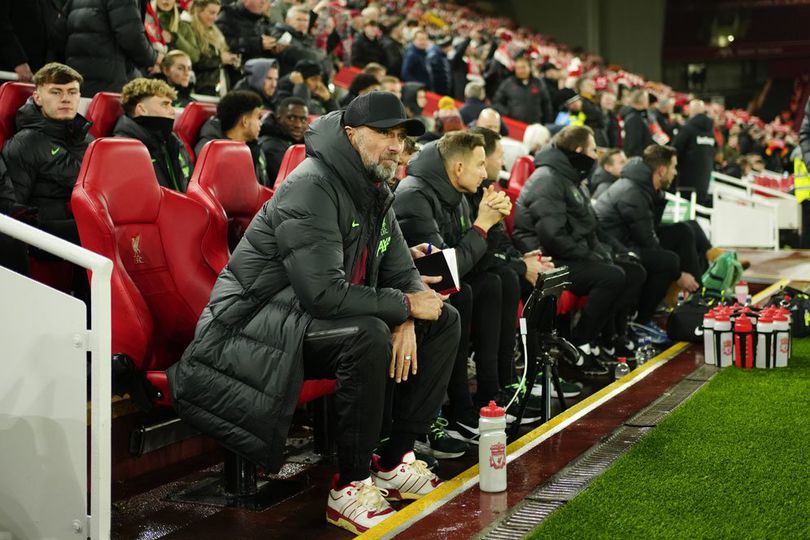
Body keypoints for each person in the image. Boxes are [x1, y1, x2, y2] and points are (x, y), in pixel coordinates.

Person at [168, 92, 456, 535]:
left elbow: (402, 271)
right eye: (384, 134)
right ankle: (350, 484)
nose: (396, 145)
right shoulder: (312, 184)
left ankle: (394, 460)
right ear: (350, 134)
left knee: (444, 320)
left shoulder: (376, 189)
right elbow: (322, 294)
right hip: (250, 324)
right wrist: (401, 305)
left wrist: (408, 311)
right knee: (367, 334)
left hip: (301, 319)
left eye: (400, 136)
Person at [394, 131, 518, 441]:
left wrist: (493, 222)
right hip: (409, 291)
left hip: (431, 286)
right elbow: (446, 273)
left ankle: (491, 392)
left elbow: (473, 259)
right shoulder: (414, 195)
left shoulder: (455, 195)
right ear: (458, 167)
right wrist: (482, 225)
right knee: (461, 297)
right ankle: (453, 409)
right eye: (479, 164)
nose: (485, 171)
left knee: (495, 280)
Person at [512, 125, 643, 371]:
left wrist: (608, 253)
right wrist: (596, 257)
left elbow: (591, 228)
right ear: (579, 150)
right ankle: (578, 345)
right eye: (594, 149)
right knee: (612, 276)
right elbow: (553, 237)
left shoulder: (570, 178)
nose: (596, 155)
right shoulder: (548, 179)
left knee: (633, 271)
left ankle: (605, 339)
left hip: (565, 254)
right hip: (547, 259)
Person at [593, 145, 685, 332]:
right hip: (614, 249)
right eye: (673, 167)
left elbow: (650, 229)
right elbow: (647, 238)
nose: (675, 173)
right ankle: (640, 320)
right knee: (668, 262)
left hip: (623, 244)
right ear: (661, 170)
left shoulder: (641, 185)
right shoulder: (632, 190)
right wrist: (679, 275)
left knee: (684, 231)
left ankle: (694, 296)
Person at [2, 63, 92, 246]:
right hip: (44, 234)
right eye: (56, 92)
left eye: (72, 92)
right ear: (37, 98)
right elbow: (12, 211)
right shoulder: (25, 143)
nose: (66, 99)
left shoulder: (90, 140)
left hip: (85, 221)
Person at [64, 0, 161, 96]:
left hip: (78, 81)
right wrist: (153, 58)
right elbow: (131, 36)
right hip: (112, 82)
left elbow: (59, 34)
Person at [114, 78, 193, 192]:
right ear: (141, 109)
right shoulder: (123, 150)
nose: (172, 111)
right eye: (165, 105)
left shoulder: (173, 142)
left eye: (171, 105)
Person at [196, 89, 270, 185]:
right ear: (245, 121)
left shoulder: (255, 147)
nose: (261, 124)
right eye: (258, 117)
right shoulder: (211, 152)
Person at [176, 0, 241, 95]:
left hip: (217, 87)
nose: (215, 18)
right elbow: (192, 60)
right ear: (198, 10)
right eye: (212, 13)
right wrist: (220, 59)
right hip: (197, 88)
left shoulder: (214, 32)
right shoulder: (187, 29)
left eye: (217, 13)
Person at [673, 99, 716, 207]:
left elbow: (675, 150)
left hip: (685, 180)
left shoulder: (687, 129)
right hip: (703, 180)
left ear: (691, 111)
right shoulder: (711, 132)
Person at [258, 96, 308, 186]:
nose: (298, 125)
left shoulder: (298, 141)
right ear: (278, 119)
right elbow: (290, 185)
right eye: (291, 118)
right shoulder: (271, 146)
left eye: (303, 120)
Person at [492, 57, 553, 125]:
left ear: (529, 68)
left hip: (534, 126)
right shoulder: (508, 83)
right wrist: (508, 113)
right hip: (513, 125)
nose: (520, 70)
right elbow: (496, 102)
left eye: (523, 67)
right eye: (518, 68)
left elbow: (546, 104)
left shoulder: (538, 83)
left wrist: (547, 122)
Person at [621, 88, 654, 158]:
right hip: (638, 158)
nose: (648, 100)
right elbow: (633, 144)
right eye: (646, 98)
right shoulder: (634, 118)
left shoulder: (641, 115)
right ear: (641, 100)